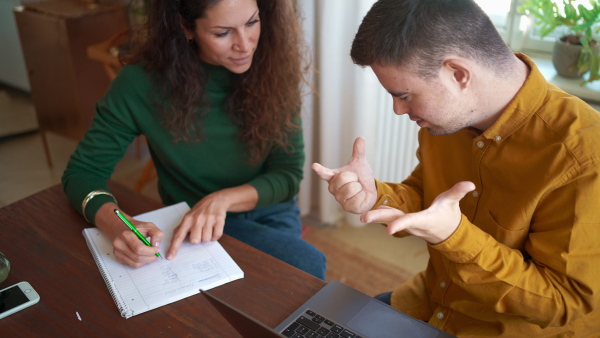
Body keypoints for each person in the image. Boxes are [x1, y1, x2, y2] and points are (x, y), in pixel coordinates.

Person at [312, 0, 600, 335]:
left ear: (459, 74)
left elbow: (563, 303)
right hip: (429, 302)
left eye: (404, 95)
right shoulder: (444, 122)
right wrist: (376, 196)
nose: (398, 110)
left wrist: (454, 237)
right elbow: (427, 199)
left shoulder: (583, 156)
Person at [62, 0, 326, 280]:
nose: (245, 45)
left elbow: (287, 174)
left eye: (252, 22)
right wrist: (118, 226)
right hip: (191, 220)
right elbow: (83, 172)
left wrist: (222, 200)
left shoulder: (273, 66)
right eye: (222, 33)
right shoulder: (140, 84)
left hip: (267, 209)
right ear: (186, 27)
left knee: (299, 274)